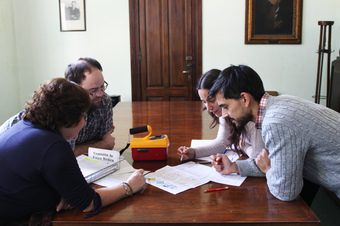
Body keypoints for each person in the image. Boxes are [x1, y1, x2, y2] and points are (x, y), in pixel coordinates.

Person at [0, 78, 146, 224]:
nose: (84, 122)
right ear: (68, 118)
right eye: (82, 116)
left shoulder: (22, 125)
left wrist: (67, 194)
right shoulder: (54, 146)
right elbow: (89, 203)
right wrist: (129, 186)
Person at [208, 64, 340, 202]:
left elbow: (285, 192)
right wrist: (234, 167)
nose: (224, 115)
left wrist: (268, 170)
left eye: (226, 107)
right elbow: (276, 163)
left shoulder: (276, 122)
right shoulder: (280, 103)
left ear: (245, 99)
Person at [0, 57, 115, 157]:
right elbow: (62, 153)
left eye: (102, 87)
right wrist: (99, 146)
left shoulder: (104, 100)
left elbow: (108, 143)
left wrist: (91, 147)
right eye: (93, 90)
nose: (100, 94)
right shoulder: (63, 108)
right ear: (74, 88)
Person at [177, 69, 266, 176]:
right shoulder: (226, 111)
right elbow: (223, 142)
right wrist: (195, 152)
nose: (208, 107)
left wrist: (242, 145)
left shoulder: (248, 114)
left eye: (211, 100)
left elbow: (259, 159)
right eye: (204, 101)